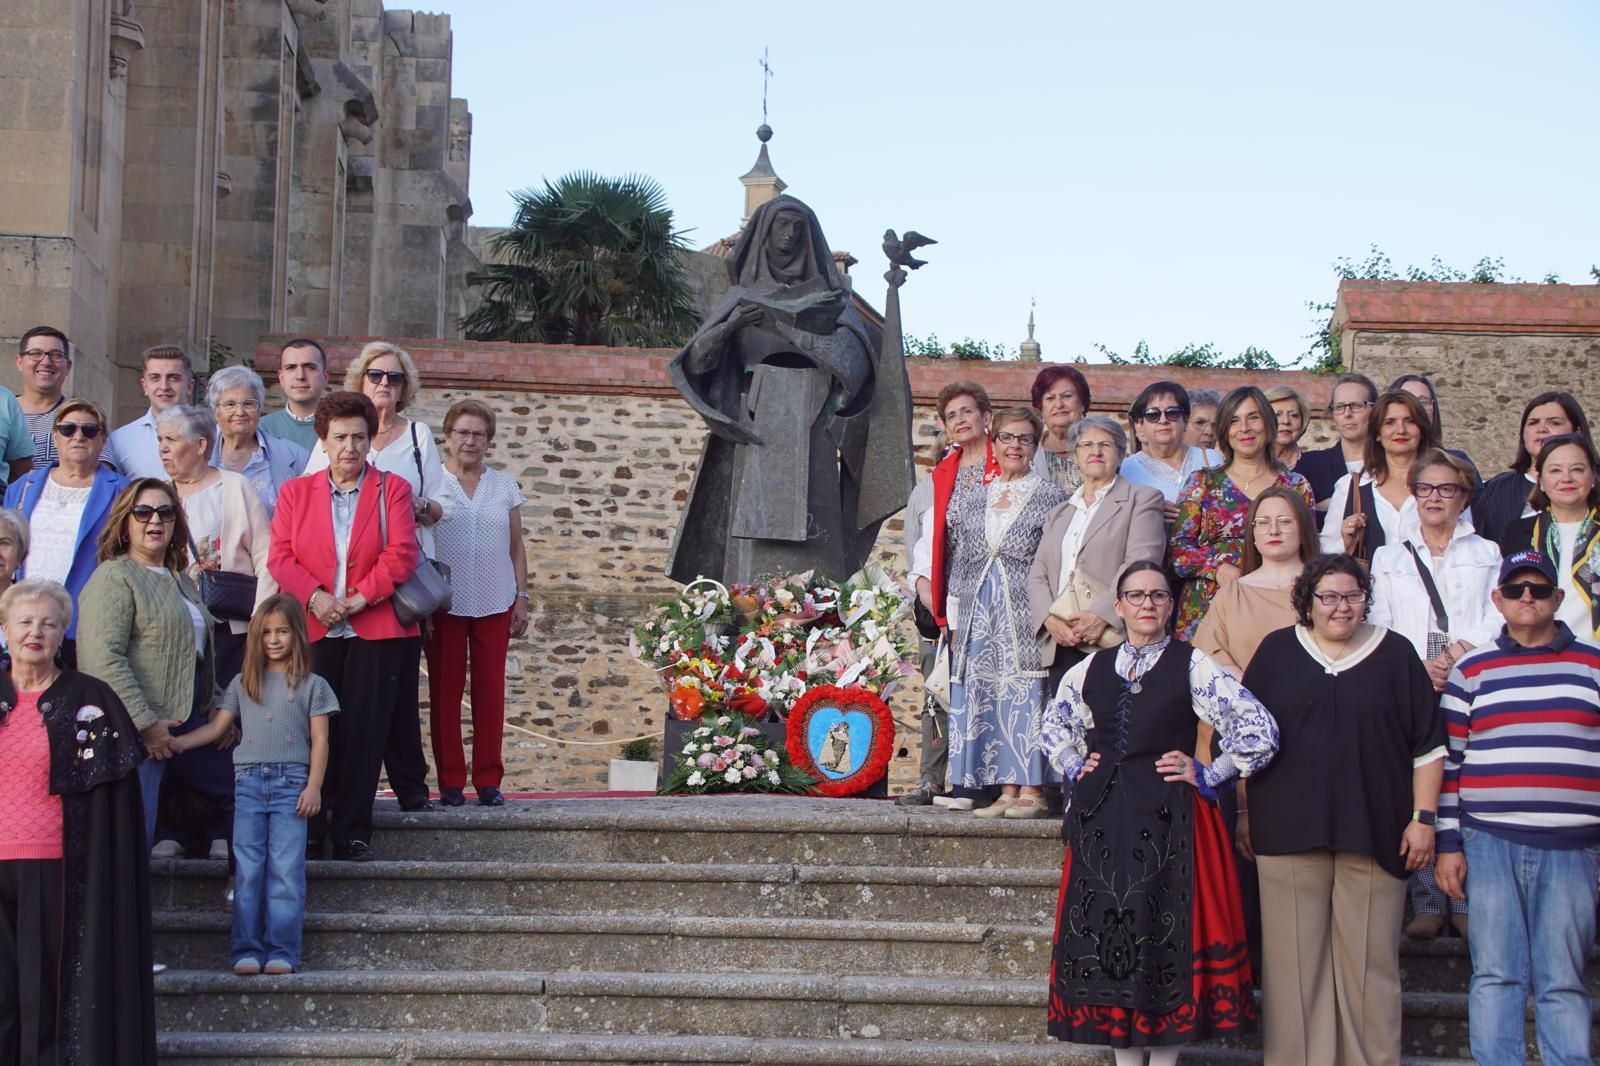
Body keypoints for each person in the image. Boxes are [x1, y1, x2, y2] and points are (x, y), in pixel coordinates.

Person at [1040, 561, 1279, 1061]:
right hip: (1103, 823)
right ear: (1120, 605)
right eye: (1136, 595)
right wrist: (1072, 762)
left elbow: (1258, 727)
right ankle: (1125, 1059)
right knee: (1109, 932)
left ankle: (1165, 1060)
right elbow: (1054, 723)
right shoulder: (1090, 668)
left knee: (1160, 932)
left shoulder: (1193, 664)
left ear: (1171, 605)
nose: (1146, 604)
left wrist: (1210, 772)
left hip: (1169, 825)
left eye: (1157, 596)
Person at [1242, 554, 1446, 1066]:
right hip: (1288, 831)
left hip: (1376, 830)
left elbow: (1428, 746)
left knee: (1368, 970)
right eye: (1328, 596)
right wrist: (1244, 812)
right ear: (1307, 602)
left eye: (1351, 595)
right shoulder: (1276, 652)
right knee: (1292, 970)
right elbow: (1245, 741)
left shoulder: (1395, 654)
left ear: (1365, 600)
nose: (1340, 607)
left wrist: (1423, 820)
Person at [1435, 550, 1600, 1066]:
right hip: (1489, 842)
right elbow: (1450, 765)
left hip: (1575, 846)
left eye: (1536, 588)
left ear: (1557, 597)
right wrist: (1447, 844)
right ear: (1497, 600)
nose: (1525, 597)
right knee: (1496, 973)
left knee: (1563, 978)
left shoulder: (1593, 664)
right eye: (1514, 589)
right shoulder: (1471, 670)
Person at [0, 579, 156, 1065]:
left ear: (64, 631)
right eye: (24, 622)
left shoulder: (91, 699)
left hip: (54, 864)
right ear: (4, 630)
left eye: (48, 623)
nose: (35, 633)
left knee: (48, 992)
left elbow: (113, 801)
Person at [268, 391, 423, 861]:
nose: (350, 447)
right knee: (313, 731)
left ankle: (354, 830)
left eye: (359, 437)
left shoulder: (391, 489)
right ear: (324, 440)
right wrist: (315, 598)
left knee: (365, 731)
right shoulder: (296, 492)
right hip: (315, 627)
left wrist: (355, 600)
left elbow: (402, 553)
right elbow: (280, 556)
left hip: (373, 627)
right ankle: (312, 829)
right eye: (340, 438)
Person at [300, 344, 446, 814]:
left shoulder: (418, 436)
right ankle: (334, 805)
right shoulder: (330, 439)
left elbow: (439, 505)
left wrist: (414, 509)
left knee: (396, 694)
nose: (384, 384)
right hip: (335, 592)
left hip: (395, 587)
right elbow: (303, 518)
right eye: (376, 375)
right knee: (340, 707)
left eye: (394, 378)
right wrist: (320, 594)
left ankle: (409, 785)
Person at [1368, 449, 1500, 940]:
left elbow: (1498, 612)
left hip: (1472, 680)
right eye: (1425, 489)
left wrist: (1462, 651)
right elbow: (1378, 617)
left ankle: (1462, 899)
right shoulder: (1390, 556)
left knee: (1461, 782)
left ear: (1464, 496)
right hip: (1412, 680)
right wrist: (1416, 666)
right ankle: (1426, 897)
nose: (1435, 498)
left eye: (1447, 489)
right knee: (1417, 785)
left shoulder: (1486, 553)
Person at [170, 595, 338, 976]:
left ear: (297, 635)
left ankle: (282, 950)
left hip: (292, 785)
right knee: (248, 869)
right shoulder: (242, 684)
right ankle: (246, 948)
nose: (274, 640)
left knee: (286, 869)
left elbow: (321, 741)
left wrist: (314, 787)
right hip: (247, 784)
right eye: (265, 633)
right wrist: (178, 742)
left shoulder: (314, 686)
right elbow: (216, 728)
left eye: (282, 632)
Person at [921, 407, 1066, 819]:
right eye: (1007, 438)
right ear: (995, 442)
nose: (1015, 446)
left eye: (1024, 439)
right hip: (976, 609)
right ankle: (1004, 789)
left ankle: (1033, 790)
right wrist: (951, 615)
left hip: (1024, 608)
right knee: (986, 692)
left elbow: (1054, 559)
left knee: (1025, 694)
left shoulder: (1052, 496)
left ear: (1035, 446)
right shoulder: (975, 494)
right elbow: (961, 557)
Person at [78, 479, 217, 860]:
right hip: (134, 728)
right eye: (143, 512)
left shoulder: (179, 581)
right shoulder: (114, 577)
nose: (154, 519)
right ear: (125, 521)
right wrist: (146, 724)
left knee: (240, 784)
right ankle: (122, 919)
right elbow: (101, 658)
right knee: (130, 839)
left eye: (165, 511)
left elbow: (195, 654)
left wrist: (219, 706)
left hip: (188, 720)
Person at [425, 399, 528, 808]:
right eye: (462, 433)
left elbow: (517, 547)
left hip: (496, 599)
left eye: (479, 434)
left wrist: (521, 597)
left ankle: (488, 779)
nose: (470, 441)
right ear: (448, 437)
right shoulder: (432, 484)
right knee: (445, 693)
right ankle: (450, 780)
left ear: (489, 439)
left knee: (490, 692)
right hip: (444, 604)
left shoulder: (504, 485)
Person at [1027, 414, 1166, 699]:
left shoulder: (1143, 499)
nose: (1095, 451)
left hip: (1113, 637)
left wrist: (1099, 615)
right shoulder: (1060, 512)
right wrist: (1050, 621)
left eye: (1106, 444)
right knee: (1067, 729)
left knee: (1112, 729)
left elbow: (1141, 563)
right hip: (1061, 639)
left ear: (1120, 453)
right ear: (1076, 455)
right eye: (1086, 444)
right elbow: (1038, 573)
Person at [909, 382, 997, 811]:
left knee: (996, 690)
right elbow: (929, 538)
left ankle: (998, 782)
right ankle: (957, 782)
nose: (961, 420)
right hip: (953, 596)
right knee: (950, 691)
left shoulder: (1006, 464)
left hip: (999, 592)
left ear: (986, 417)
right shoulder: (943, 474)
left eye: (968, 411)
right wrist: (924, 585)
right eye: (952, 416)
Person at [1170, 386, 1314, 641]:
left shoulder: (1295, 485)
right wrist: (1217, 569)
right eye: (1234, 420)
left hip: (1277, 602)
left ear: (1269, 424)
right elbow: (1178, 550)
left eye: (1253, 417)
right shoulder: (1202, 482)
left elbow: (1309, 550)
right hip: (1209, 603)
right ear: (1225, 430)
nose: (1244, 428)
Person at [5, 400, 127, 665]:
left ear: (103, 437)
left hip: (86, 621)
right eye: (68, 429)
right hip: (25, 620)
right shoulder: (22, 487)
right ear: (55, 436)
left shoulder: (123, 492)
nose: (78, 436)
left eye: (90, 430)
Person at [158, 404, 273, 683]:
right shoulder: (158, 492)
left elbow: (266, 554)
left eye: (171, 440)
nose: (162, 448)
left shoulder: (235, 487)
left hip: (227, 626)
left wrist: (261, 617)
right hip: (171, 625)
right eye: (159, 440)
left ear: (200, 445)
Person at [1497, 433, 1600, 642]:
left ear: (1593, 478)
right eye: (1555, 470)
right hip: (1539, 653)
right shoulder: (1518, 532)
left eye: (1577, 469)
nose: (1566, 478)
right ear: (1541, 481)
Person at [1322, 389, 1439, 561]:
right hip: (1368, 586)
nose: (1401, 430)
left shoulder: (1443, 485)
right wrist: (1345, 542)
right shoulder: (1350, 487)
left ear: (1421, 429)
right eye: (1390, 422)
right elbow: (1324, 551)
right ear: (1377, 432)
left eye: (1410, 421)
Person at [1472, 391, 1592, 544]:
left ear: (1577, 431)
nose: (1541, 429)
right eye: (1533, 423)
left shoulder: (1589, 485)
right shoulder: (1496, 490)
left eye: (1554, 422)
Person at [208, 365, 311, 513]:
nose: (240, 412)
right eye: (230, 404)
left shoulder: (295, 456)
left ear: (259, 410)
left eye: (248, 404)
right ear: (216, 412)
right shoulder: (198, 455)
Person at [1119, 381, 1222, 521]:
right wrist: (1148, 509)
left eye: (1172, 413)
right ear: (1140, 425)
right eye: (1152, 414)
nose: (1163, 420)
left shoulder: (1212, 460)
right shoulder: (1125, 471)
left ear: (1185, 420)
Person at [109, 344, 195, 480]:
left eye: (174, 378)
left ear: (190, 385)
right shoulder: (120, 440)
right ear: (145, 386)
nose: (164, 386)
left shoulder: (215, 435)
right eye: (155, 378)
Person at [1295, 372, 1378, 510]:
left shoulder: (1391, 464)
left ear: (1375, 410)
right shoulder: (1310, 466)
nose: (1347, 414)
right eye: (1339, 407)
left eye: (1357, 405)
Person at [1390, 372, 1479, 480]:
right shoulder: (1371, 472)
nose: (1416, 408)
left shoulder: (1456, 462)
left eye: (1422, 402)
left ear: (1432, 407)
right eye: (1406, 400)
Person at [14, 326, 72, 469]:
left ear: (68, 366)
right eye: (35, 353)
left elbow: (102, 473)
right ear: (19, 362)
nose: (46, 361)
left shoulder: (84, 416)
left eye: (56, 355)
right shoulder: (4, 411)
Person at [259, 338, 331, 452]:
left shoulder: (341, 427)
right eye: (291, 368)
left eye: (310, 367)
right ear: (281, 378)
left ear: (325, 377)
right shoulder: (261, 430)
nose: (300, 376)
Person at [1030, 364, 1092, 493]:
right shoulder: (1028, 452)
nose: (1058, 404)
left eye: (1067, 396)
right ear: (1040, 407)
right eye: (1050, 398)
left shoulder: (1103, 449)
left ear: (1082, 403)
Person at [1265, 384, 1310, 471]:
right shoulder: (1249, 469)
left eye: (1293, 415)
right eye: (1277, 415)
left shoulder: (1319, 466)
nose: (1286, 421)